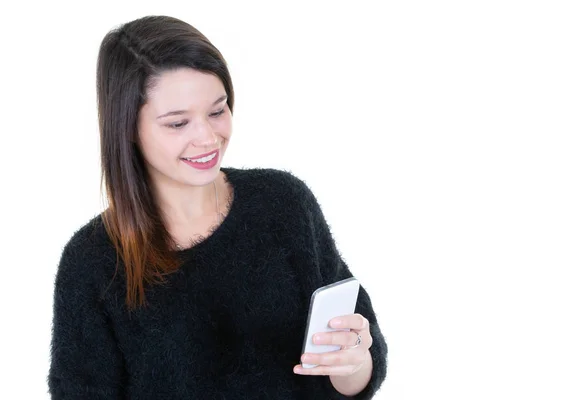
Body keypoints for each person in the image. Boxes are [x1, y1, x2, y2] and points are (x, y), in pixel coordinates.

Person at [47, 15, 388, 399]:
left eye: (217, 111)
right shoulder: (93, 263)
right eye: (177, 124)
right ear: (127, 127)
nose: (208, 138)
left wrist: (355, 362)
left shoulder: (284, 204)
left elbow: (355, 374)